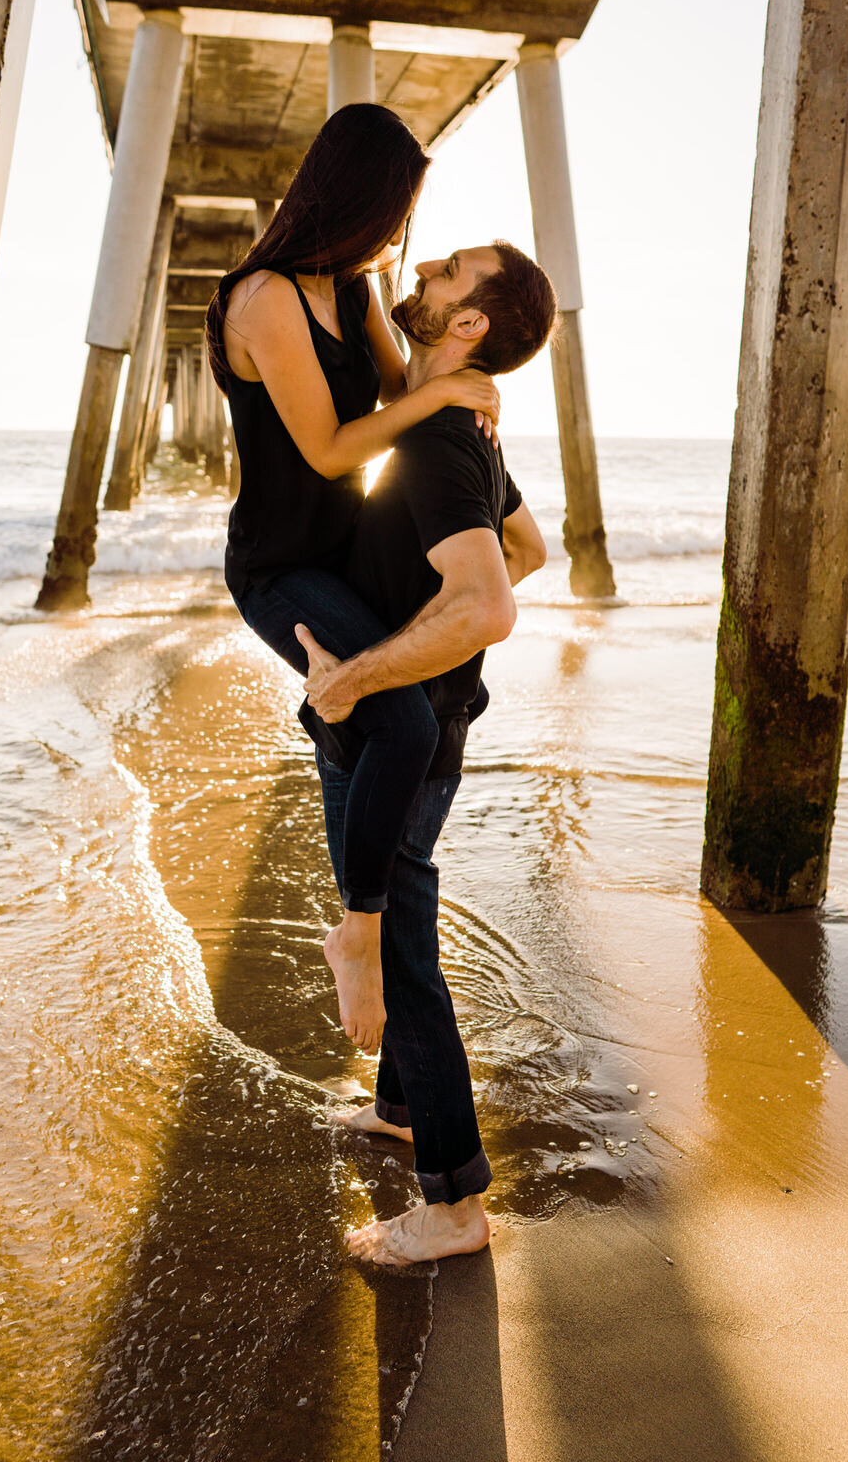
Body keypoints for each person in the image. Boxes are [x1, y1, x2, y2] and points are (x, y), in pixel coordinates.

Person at [208, 105, 501, 1055]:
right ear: (357, 194)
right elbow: (334, 451)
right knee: (402, 718)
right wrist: (444, 395)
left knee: (387, 719)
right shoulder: (261, 298)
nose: (398, 237)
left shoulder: (355, 287)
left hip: (340, 560)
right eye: (394, 212)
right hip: (279, 568)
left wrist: (464, 383)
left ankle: (400, 1094)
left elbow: (399, 398)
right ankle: (361, 935)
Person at [297, 241, 555, 1266]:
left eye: (444, 271)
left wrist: (362, 674)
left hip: (395, 734)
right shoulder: (457, 426)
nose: (429, 267)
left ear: (468, 323)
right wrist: (422, 641)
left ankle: (452, 1204)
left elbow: (489, 600)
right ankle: (402, 1107)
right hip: (438, 724)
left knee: (399, 939)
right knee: (401, 904)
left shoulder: (442, 443)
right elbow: (529, 552)